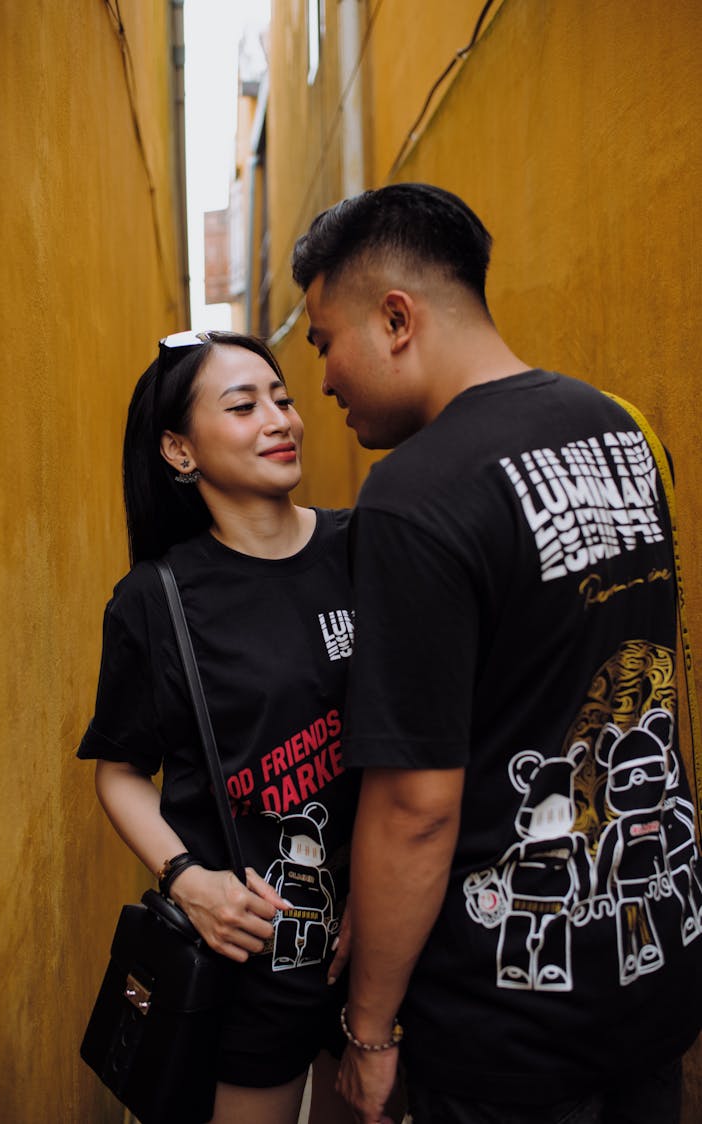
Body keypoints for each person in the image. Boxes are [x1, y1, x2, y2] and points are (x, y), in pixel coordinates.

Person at [291, 183, 702, 1124]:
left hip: (503, 1032)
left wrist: (370, 1031)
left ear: (396, 318)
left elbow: (417, 808)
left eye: (323, 343)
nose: (322, 381)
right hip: (657, 974)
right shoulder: (626, 428)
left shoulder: (414, 498)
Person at [78, 330, 360, 1124]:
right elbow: (121, 769)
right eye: (244, 406)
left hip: (380, 944)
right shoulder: (154, 600)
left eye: (283, 398)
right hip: (254, 951)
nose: (280, 420)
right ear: (178, 450)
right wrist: (188, 881)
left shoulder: (363, 547)